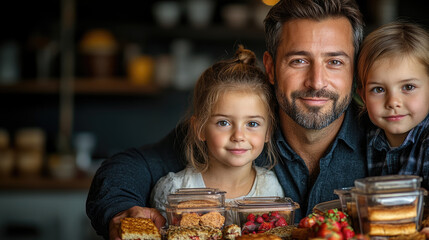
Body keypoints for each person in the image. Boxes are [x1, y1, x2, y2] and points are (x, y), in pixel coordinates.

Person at [86, 0, 368, 239]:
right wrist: (122, 211)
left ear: (354, 70)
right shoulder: (235, 128)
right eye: (299, 61)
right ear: (270, 67)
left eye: (335, 62)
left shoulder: (383, 138)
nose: (316, 81)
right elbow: (128, 167)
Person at [150, 45, 284, 220]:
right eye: (224, 122)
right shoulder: (174, 189)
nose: (238, 136)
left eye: (252, 123)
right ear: (200, 129)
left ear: (268, 132)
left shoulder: (270, 189)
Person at [356, 21, 429, 188]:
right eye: (378, 89)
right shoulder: (364, 135)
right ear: (363, 96)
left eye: (408, 87)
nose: (393, 102)